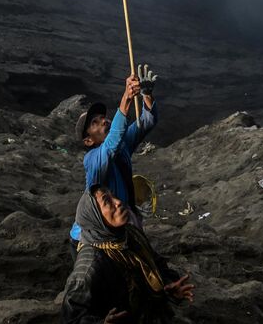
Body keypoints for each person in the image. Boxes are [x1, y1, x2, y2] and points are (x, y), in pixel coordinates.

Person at [61, 185, 194, 323]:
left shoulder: (129, 233)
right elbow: (72, 317)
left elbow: (156, 262)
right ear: (95, 217)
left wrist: (168, 285)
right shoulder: (90, 266)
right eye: (107, 201)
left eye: (113, 196)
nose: (118, 202)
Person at [70, 65, 158, 252]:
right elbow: (111, 145)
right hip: (90, 239)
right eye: (95, 123)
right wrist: (126, 98)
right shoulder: (92, 160)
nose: (103, 120)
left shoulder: (123, 143)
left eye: (102, 117)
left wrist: (147, 95)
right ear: (88, 140)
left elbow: (146, 123)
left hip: (117, 226)